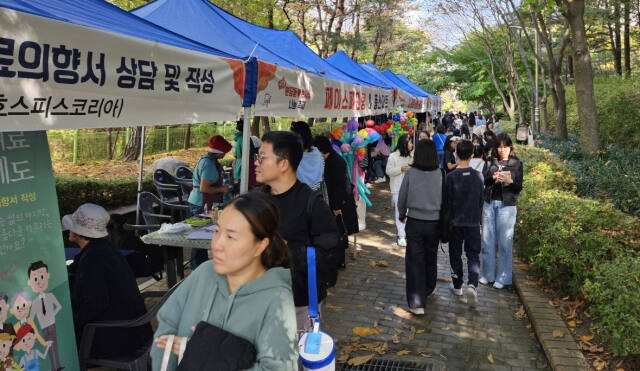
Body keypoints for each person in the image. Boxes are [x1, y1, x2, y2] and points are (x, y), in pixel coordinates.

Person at [151, 192, 298, 370]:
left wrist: (209, 356)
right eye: (217, 231)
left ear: (260, 246)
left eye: (230, 236)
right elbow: (167, 326)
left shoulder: (276, 300)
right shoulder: (204, 273)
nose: (217, 244)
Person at [255, 131, 338, 333]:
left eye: (262, 157)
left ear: (283, 164)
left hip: (298, 302)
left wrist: (286, 252)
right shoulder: (254, 201)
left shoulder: (312, 203)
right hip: (258, 299)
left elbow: (329, 251)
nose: (256, 163)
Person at [62, 204, 152, 359]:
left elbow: (94, 304)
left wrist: (71, 321)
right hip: (135, 330)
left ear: (78, 232)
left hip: (118, 337)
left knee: (60, 331)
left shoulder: (92, 259)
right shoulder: (104, 249)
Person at [396, 139, 443, 315]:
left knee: (415, 260)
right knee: (431, 256)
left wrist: (401, 214)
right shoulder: (440, 173)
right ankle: (428, 288)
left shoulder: (410, 173)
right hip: (435, 223)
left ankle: (417, 303)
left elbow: (402, 197)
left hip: (414, 222)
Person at [480, 134, 523, 289]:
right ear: (495, 148)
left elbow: (518, 187)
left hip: (507, 205)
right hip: (489, 203)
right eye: (499, 146)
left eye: (505, 146)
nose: (502, 150)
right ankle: (487, 274)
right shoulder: (490, 161)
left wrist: (510, 181)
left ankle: (503, 278)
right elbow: (484, 180)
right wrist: (493, 176)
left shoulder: (516, 163)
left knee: (505, 242)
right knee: (487, 240)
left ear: (510, 147)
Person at [313, 135, 359, 282]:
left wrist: (337, 206)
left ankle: (339, 260)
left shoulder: (336, 162)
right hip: (334, 202)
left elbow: (340, 186)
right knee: (335, 232)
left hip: (340, 203)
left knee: (338, 232)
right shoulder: (326, 160)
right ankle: (336, 258)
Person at [445, 140, 484, 307]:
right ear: (473, 155)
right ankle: (473, 284)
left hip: (455, 222)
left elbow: (446, 203)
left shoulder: (450, 177)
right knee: (473, 255)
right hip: (473, 222)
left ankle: (457, 284)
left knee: (455, 254)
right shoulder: (478, 176)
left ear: (456, 154)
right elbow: (481, 201)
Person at [188, 135, 233, 269]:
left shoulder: (210, 161)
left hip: (202, 202)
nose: (225, 155)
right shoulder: (208, 164)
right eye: (224, 153)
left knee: (201, 237)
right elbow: (204, 188)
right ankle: (196, 267)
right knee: (198, 238)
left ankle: (200, 265)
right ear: (218, 152)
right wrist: (223, 188)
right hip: (200, 202)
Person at [27, 261, 62, 371]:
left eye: (42, 276)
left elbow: (59, 307)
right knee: (48, 348)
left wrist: (52, 315)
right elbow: (31, 318)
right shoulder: (35, 302)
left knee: (55, 346)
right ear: (30, 282)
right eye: (35, 279)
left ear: (47, 276)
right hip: (44, 328)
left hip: (52, 325)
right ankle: (52, 367)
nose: (39, 282)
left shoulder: (50, 296)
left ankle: (58, 365)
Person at [386, 134, 414, 247]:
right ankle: (401, 235)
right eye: (410, 142)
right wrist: (401, 169)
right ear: (404, 144)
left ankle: (407, 233)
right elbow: (388, 171)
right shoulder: (393, 156)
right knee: (400, 212)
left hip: (410, 189)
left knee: (408, 212)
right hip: (397, 189)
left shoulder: (411, 157)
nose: (412, 145)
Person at [290, 121, 324, 190]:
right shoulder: (318, 154)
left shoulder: (292, 157)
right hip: (314, 195)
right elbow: (319, 179)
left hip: (297, 196)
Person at [232, 120, 260, 189]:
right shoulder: (246, 138)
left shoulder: (237, 139)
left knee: (241, 184)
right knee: (248, 187)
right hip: (247, 165)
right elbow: (252, 152)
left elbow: (235, 154)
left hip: (238, 164)